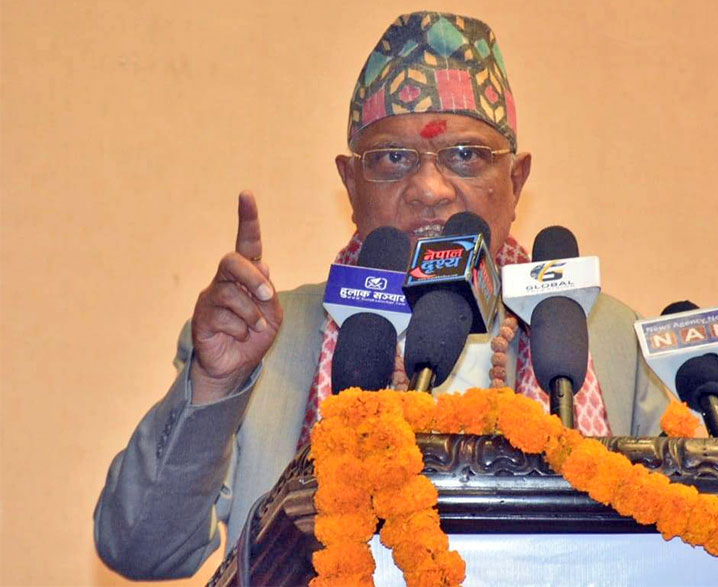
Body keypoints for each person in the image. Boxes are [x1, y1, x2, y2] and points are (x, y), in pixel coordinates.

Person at [94, 11, 668, 580]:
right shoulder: (268, 337)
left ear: (515, 182)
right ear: (350, 184)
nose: (429, 189)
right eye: (393, 159)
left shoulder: (602, 337)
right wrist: (216, 384)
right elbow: (141, 550)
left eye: (466, 156)